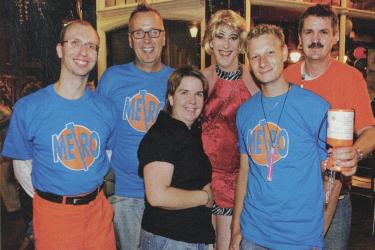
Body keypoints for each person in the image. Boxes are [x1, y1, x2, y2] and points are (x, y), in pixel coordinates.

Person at [1, 20, 116, 249]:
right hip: (53, 215)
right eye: (75, 42)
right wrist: (49, 199)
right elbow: (22, 166)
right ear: (59, 50)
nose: (84, 51)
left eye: (91, 45)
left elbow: (106, 155)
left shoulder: (107, 108)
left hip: (98, 212)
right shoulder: (28, 108)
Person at [230, 24, 330, 250]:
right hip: (253, 234)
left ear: (284, 53)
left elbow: (333, 176)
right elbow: (245, 171)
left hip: (299, 238)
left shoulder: (316, 107)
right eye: (255, 56)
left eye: (269, 53)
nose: (263, 62)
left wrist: (319, 230)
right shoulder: (245, 112)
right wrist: (235, 228)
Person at [284, 4, 375, 249]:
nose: (316, 39)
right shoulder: (285, 78)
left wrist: (354, 153)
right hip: (291, 195)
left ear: (335, 36)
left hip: (336, 194)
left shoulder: (351, 78)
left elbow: (369, 131)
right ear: (300, 38)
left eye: (323, 32)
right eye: (309, 32)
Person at [97, 3, 174, 249]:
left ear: (164, 37)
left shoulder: (178, 80)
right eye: (139, 33)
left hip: (168, 195)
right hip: (125, 194)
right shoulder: (112, 78)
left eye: (153, 32)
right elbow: (98, 132)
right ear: (130, 40)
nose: (147, 39)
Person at [137, 65, 215, 250]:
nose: (192, 101)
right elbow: (157, 196)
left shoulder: (190, 132)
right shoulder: (161, 136)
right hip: (168, 240)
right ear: (171, 98)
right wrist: (204, 197)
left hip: (192, 236)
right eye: (184, 93)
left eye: (199, 94)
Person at [201, 10, 258, 249]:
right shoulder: (200, 79)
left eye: (233, 37)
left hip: (237, 180)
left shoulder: (256, 80)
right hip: (200, 180)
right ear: (210, 41)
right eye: (220, 36)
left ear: (241, 43)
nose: (226, 44)